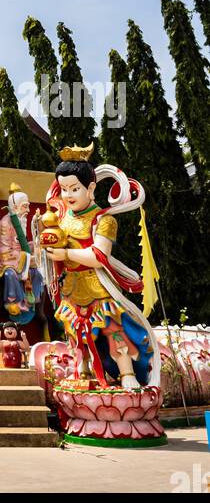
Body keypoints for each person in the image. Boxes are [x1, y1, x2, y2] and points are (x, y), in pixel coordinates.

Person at [38, 144, 157, 391]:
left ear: (90, 188)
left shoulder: (103, 220)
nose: (68, 195)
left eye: (75, 189)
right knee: (74, 333)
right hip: (71, 287)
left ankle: (126, 374)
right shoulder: (62, 218)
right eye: (64, 189)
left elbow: (99, 255)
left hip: (98, 287)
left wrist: (66, 252)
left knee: (112, 331)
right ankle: (81, 371)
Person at [0, 185, 45, 317]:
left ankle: (31, 300)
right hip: (8, 261)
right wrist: (27, 258)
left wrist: (36, 246)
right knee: (11, 275)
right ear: (15, 208)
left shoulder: (22, 221)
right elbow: (4, 250)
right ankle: (12, 303)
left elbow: (23, 245)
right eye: (24, 206)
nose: (28, 210)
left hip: (22, 260)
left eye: (28, 206)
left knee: (37, 274)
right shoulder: (5, 223)